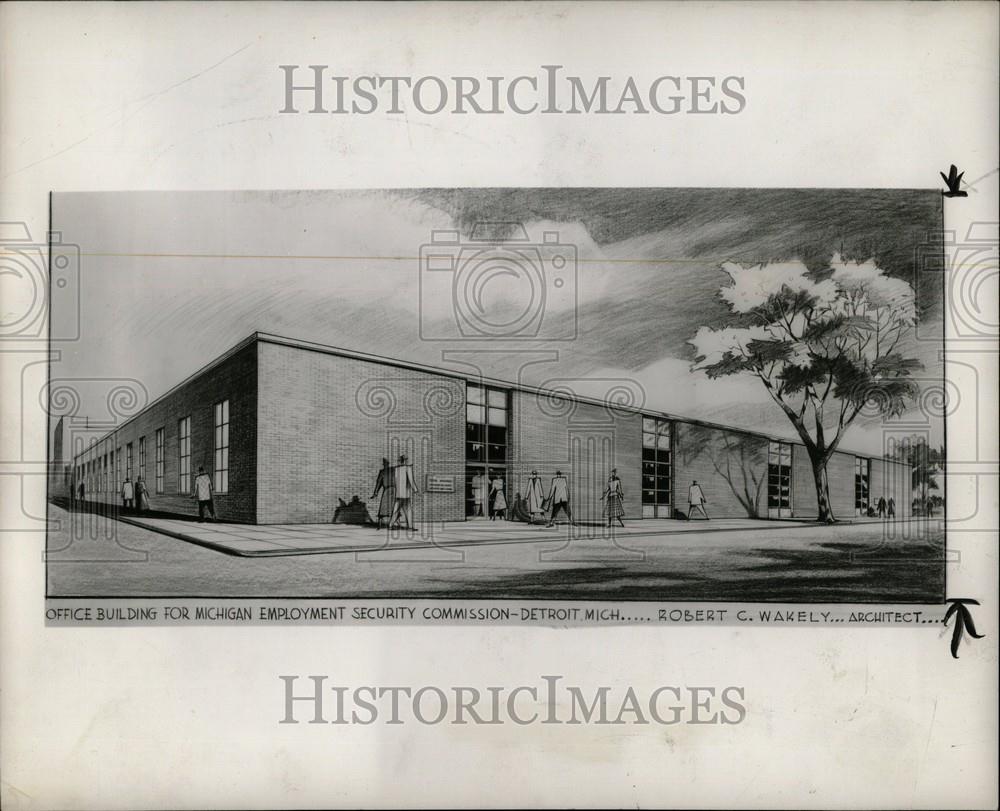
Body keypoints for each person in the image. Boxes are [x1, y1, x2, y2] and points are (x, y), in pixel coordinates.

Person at [388, 453, 419, 530]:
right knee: (408, 510)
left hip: (398, 494)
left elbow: (394, 481)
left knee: (395, 510)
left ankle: (390, 525)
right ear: (405, 461)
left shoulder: (396, 469)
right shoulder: (408, 468)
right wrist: (415, 490)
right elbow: (411, 481)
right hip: (406, 494)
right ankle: (410, 527)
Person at [371, 458, 395, 530]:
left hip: (392, 490)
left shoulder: (392, 470)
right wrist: (375, 493)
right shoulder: (385, 471)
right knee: (383, 508)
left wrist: (375, 493)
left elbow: (378, 483)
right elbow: (378, 483)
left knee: (392, 508)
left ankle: (389, 524)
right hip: (388, 490)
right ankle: (381, 525)